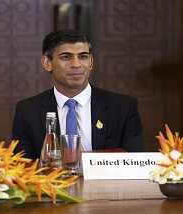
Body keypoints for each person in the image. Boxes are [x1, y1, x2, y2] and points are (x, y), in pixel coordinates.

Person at [12, 29, 143, 160]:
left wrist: (86, 160)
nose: (76, 64)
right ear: (47, 63)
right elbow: (23, 166)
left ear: (91, 62)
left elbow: (134, 161)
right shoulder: (28, 110)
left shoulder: (123, 107)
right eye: (66, 57)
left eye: (83, 56)